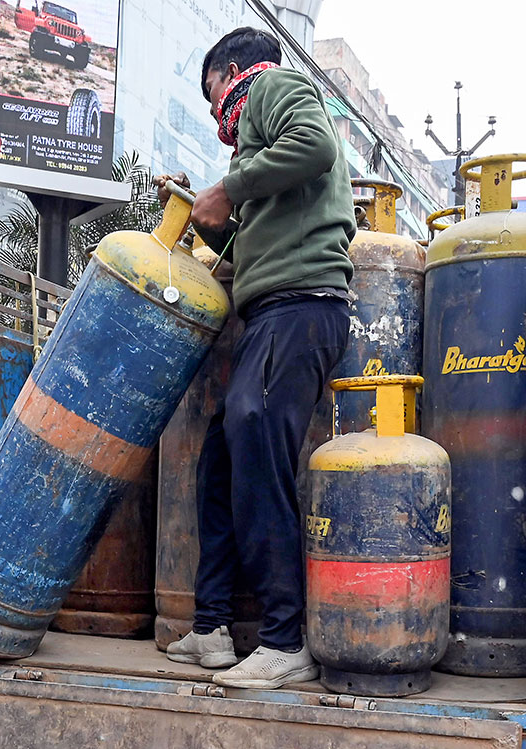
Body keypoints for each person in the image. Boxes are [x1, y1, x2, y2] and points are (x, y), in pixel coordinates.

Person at [156, 25, 355, 689]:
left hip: (303, 306)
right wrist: (208, 214)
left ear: (233, 71)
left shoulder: (272, 86)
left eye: (214, 96)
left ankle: (283, 638)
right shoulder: (261, 165)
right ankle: (212, 625)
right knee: (222, 460)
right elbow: (246, 240)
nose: (219, 116)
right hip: (273, 312)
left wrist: (230, 188)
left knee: (255, 441)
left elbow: (315, 146)